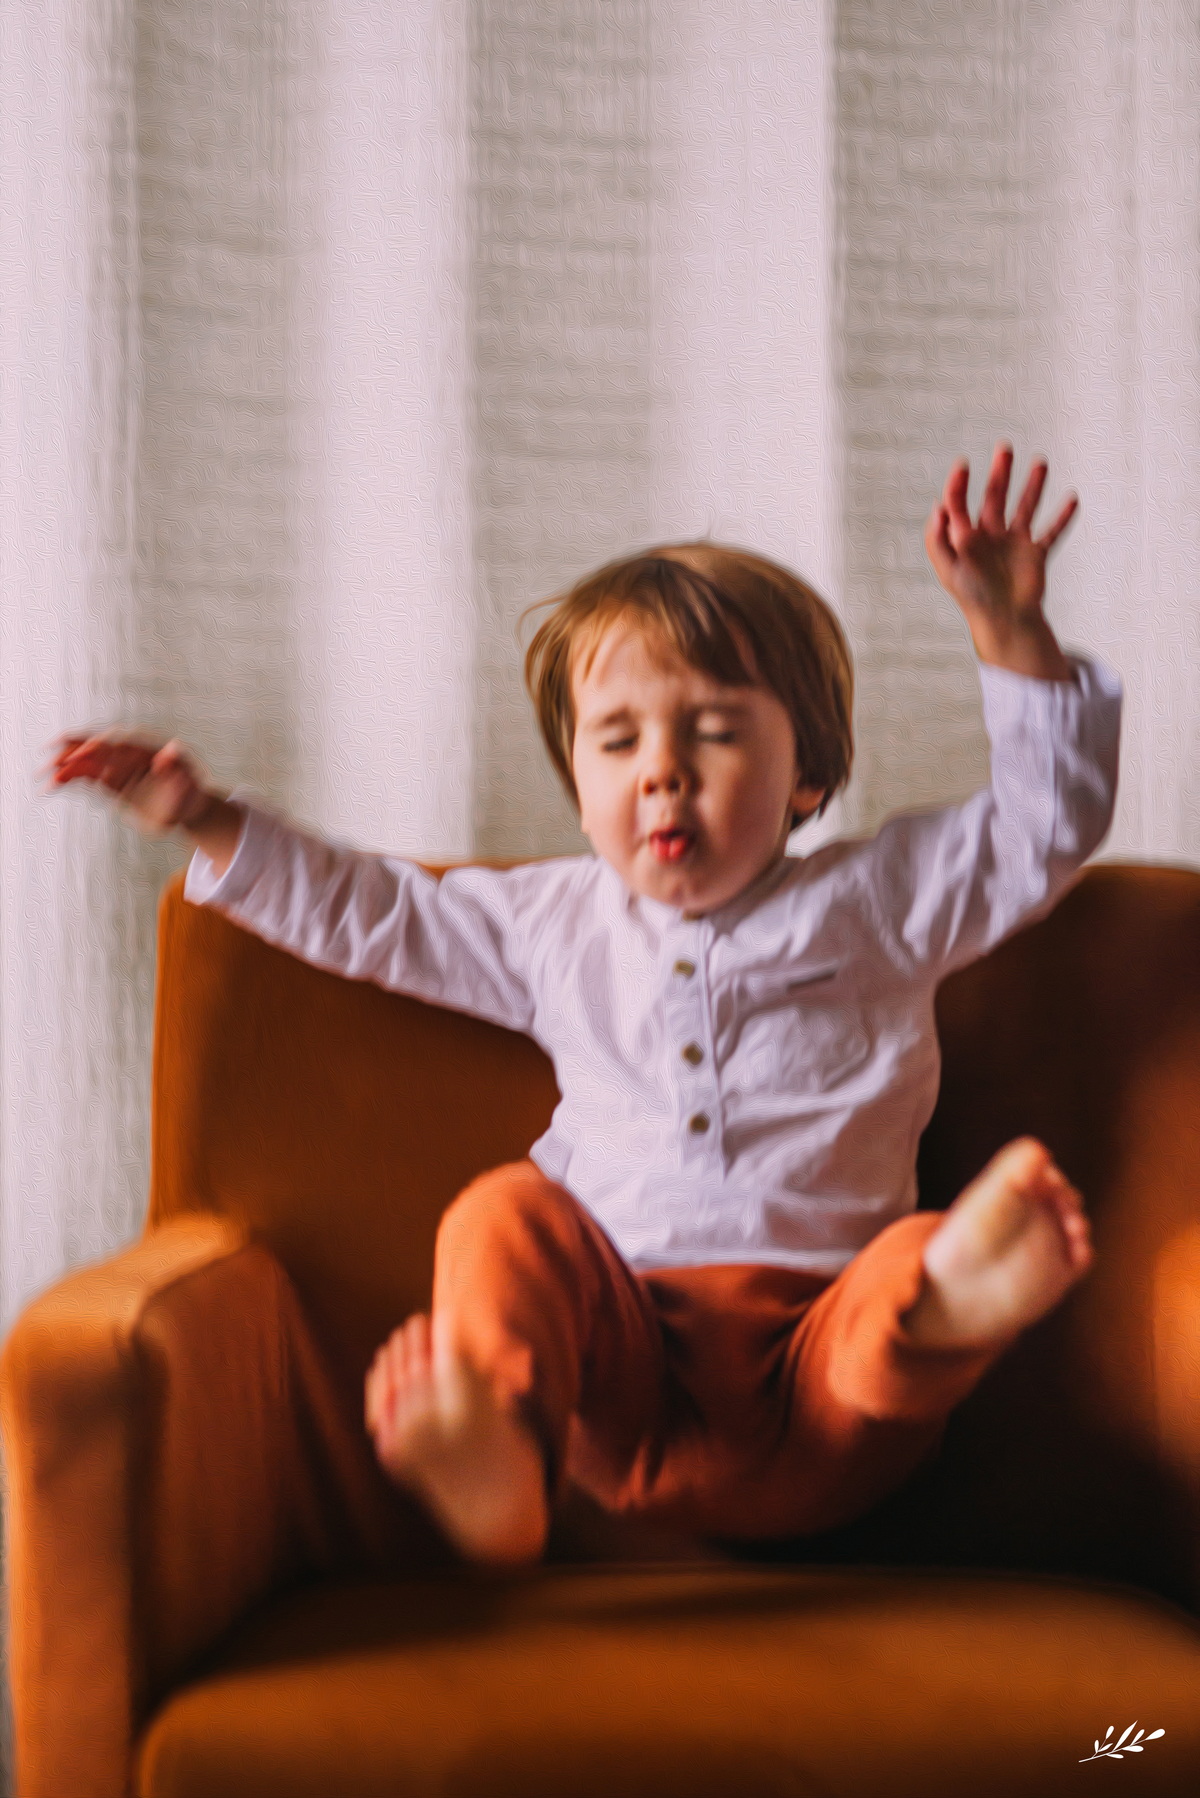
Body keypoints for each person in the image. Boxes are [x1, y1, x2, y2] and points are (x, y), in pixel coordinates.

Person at [51, 443, 1122, 1568]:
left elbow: (1041, 829)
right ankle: (497, 1452)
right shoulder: (552, 924)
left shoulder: (879, 899)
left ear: (809, 774)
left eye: (713, 730)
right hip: (623, 1382)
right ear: (581, 787)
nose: (661, 769)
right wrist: (207, 817)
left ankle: (950, 1305)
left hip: (829, 1372)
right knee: (502, 1212)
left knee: (906, 1265)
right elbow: (377, 916)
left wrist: (1011, 633)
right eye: (619, 741)